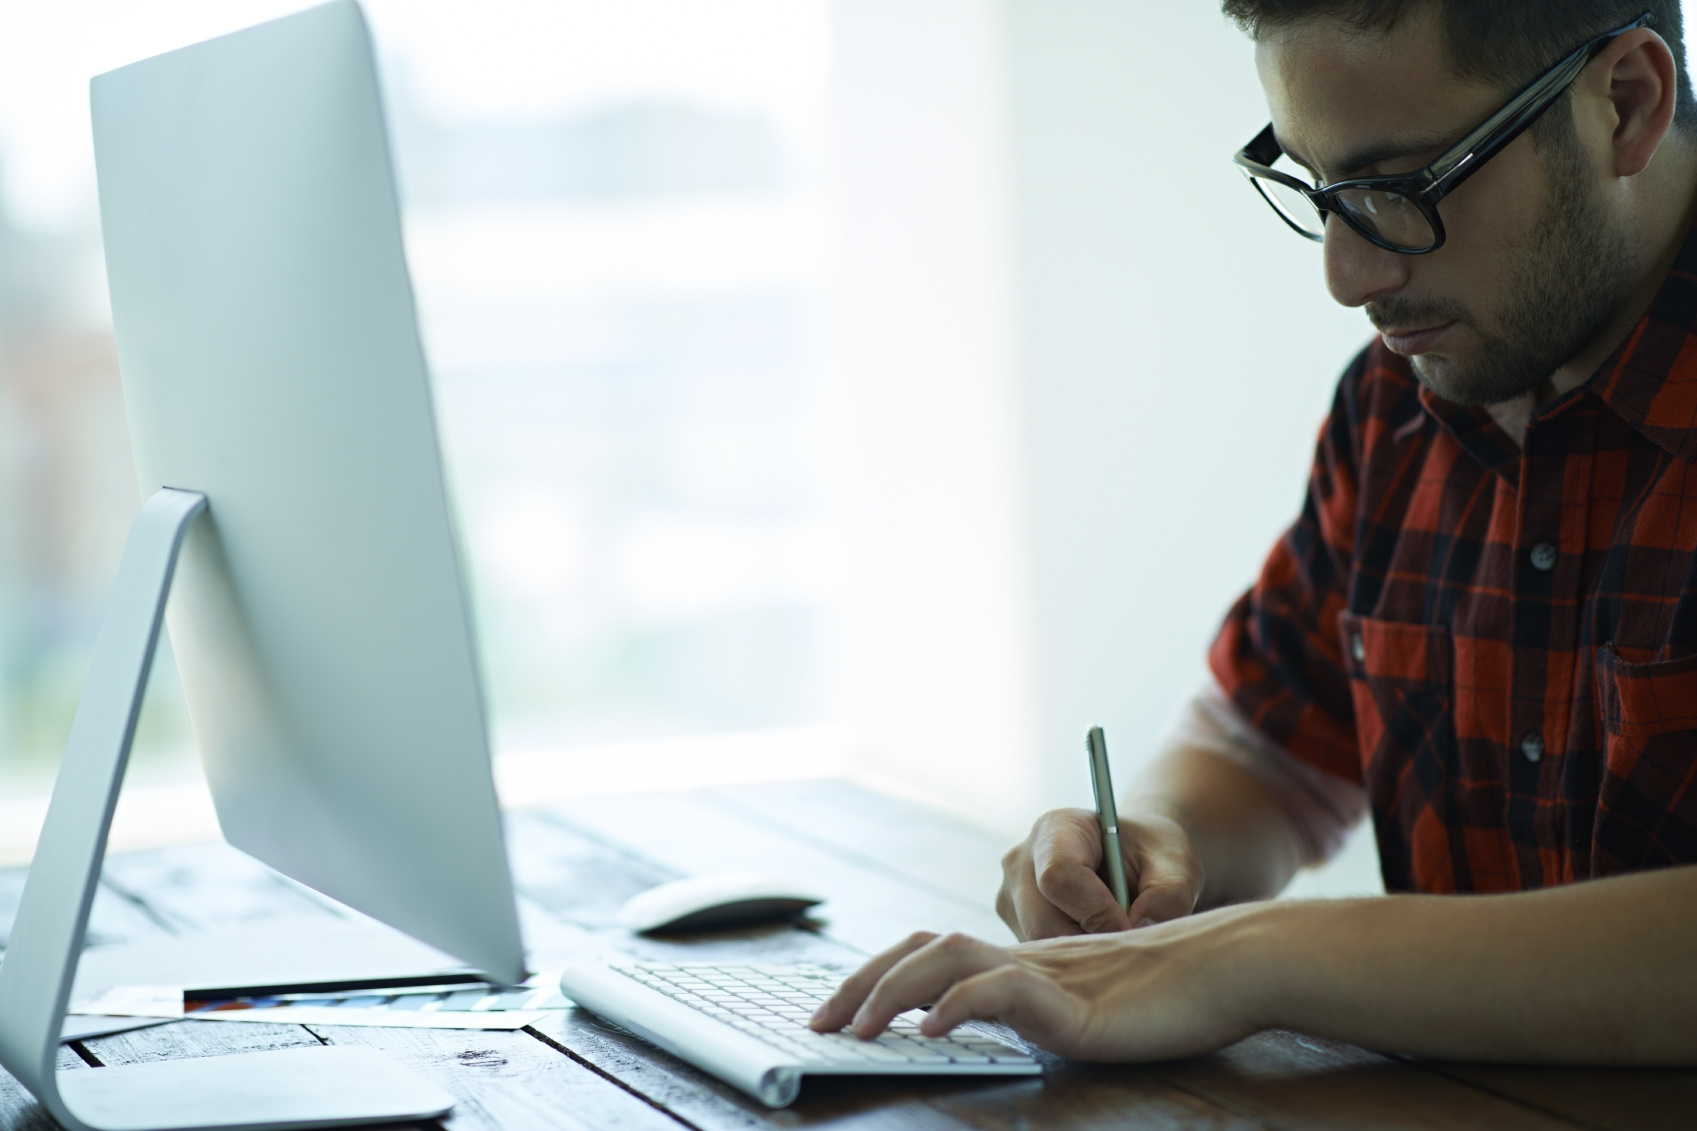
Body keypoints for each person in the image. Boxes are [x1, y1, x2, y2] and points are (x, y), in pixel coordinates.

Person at [810, 0, 1697, 1064]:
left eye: (1398, 188)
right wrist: (1153, 843)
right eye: (1316, 190)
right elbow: (1266, 748)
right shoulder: (1398, 402)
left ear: (1624, 104)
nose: (1346, 276)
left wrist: (1252, 957)